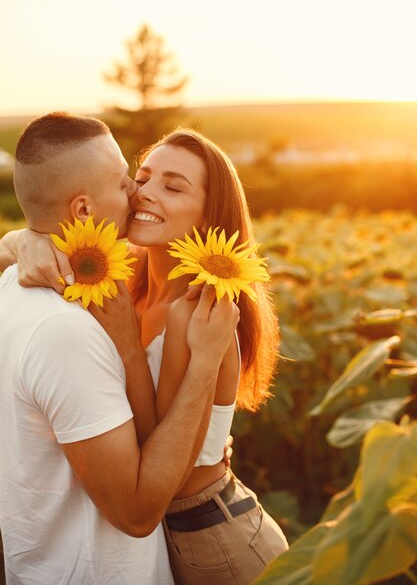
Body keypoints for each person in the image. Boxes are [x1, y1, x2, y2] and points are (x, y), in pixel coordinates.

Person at [1, 127, 288, 584]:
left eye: (173, 187)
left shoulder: (196, 312)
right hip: (166, 539)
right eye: (142, 176)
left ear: (208, 216)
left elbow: (156, 457)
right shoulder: (121, 279)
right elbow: (37, 240)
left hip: (214, 537)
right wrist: (24, 239)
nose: (142, 192)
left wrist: (130, 347)